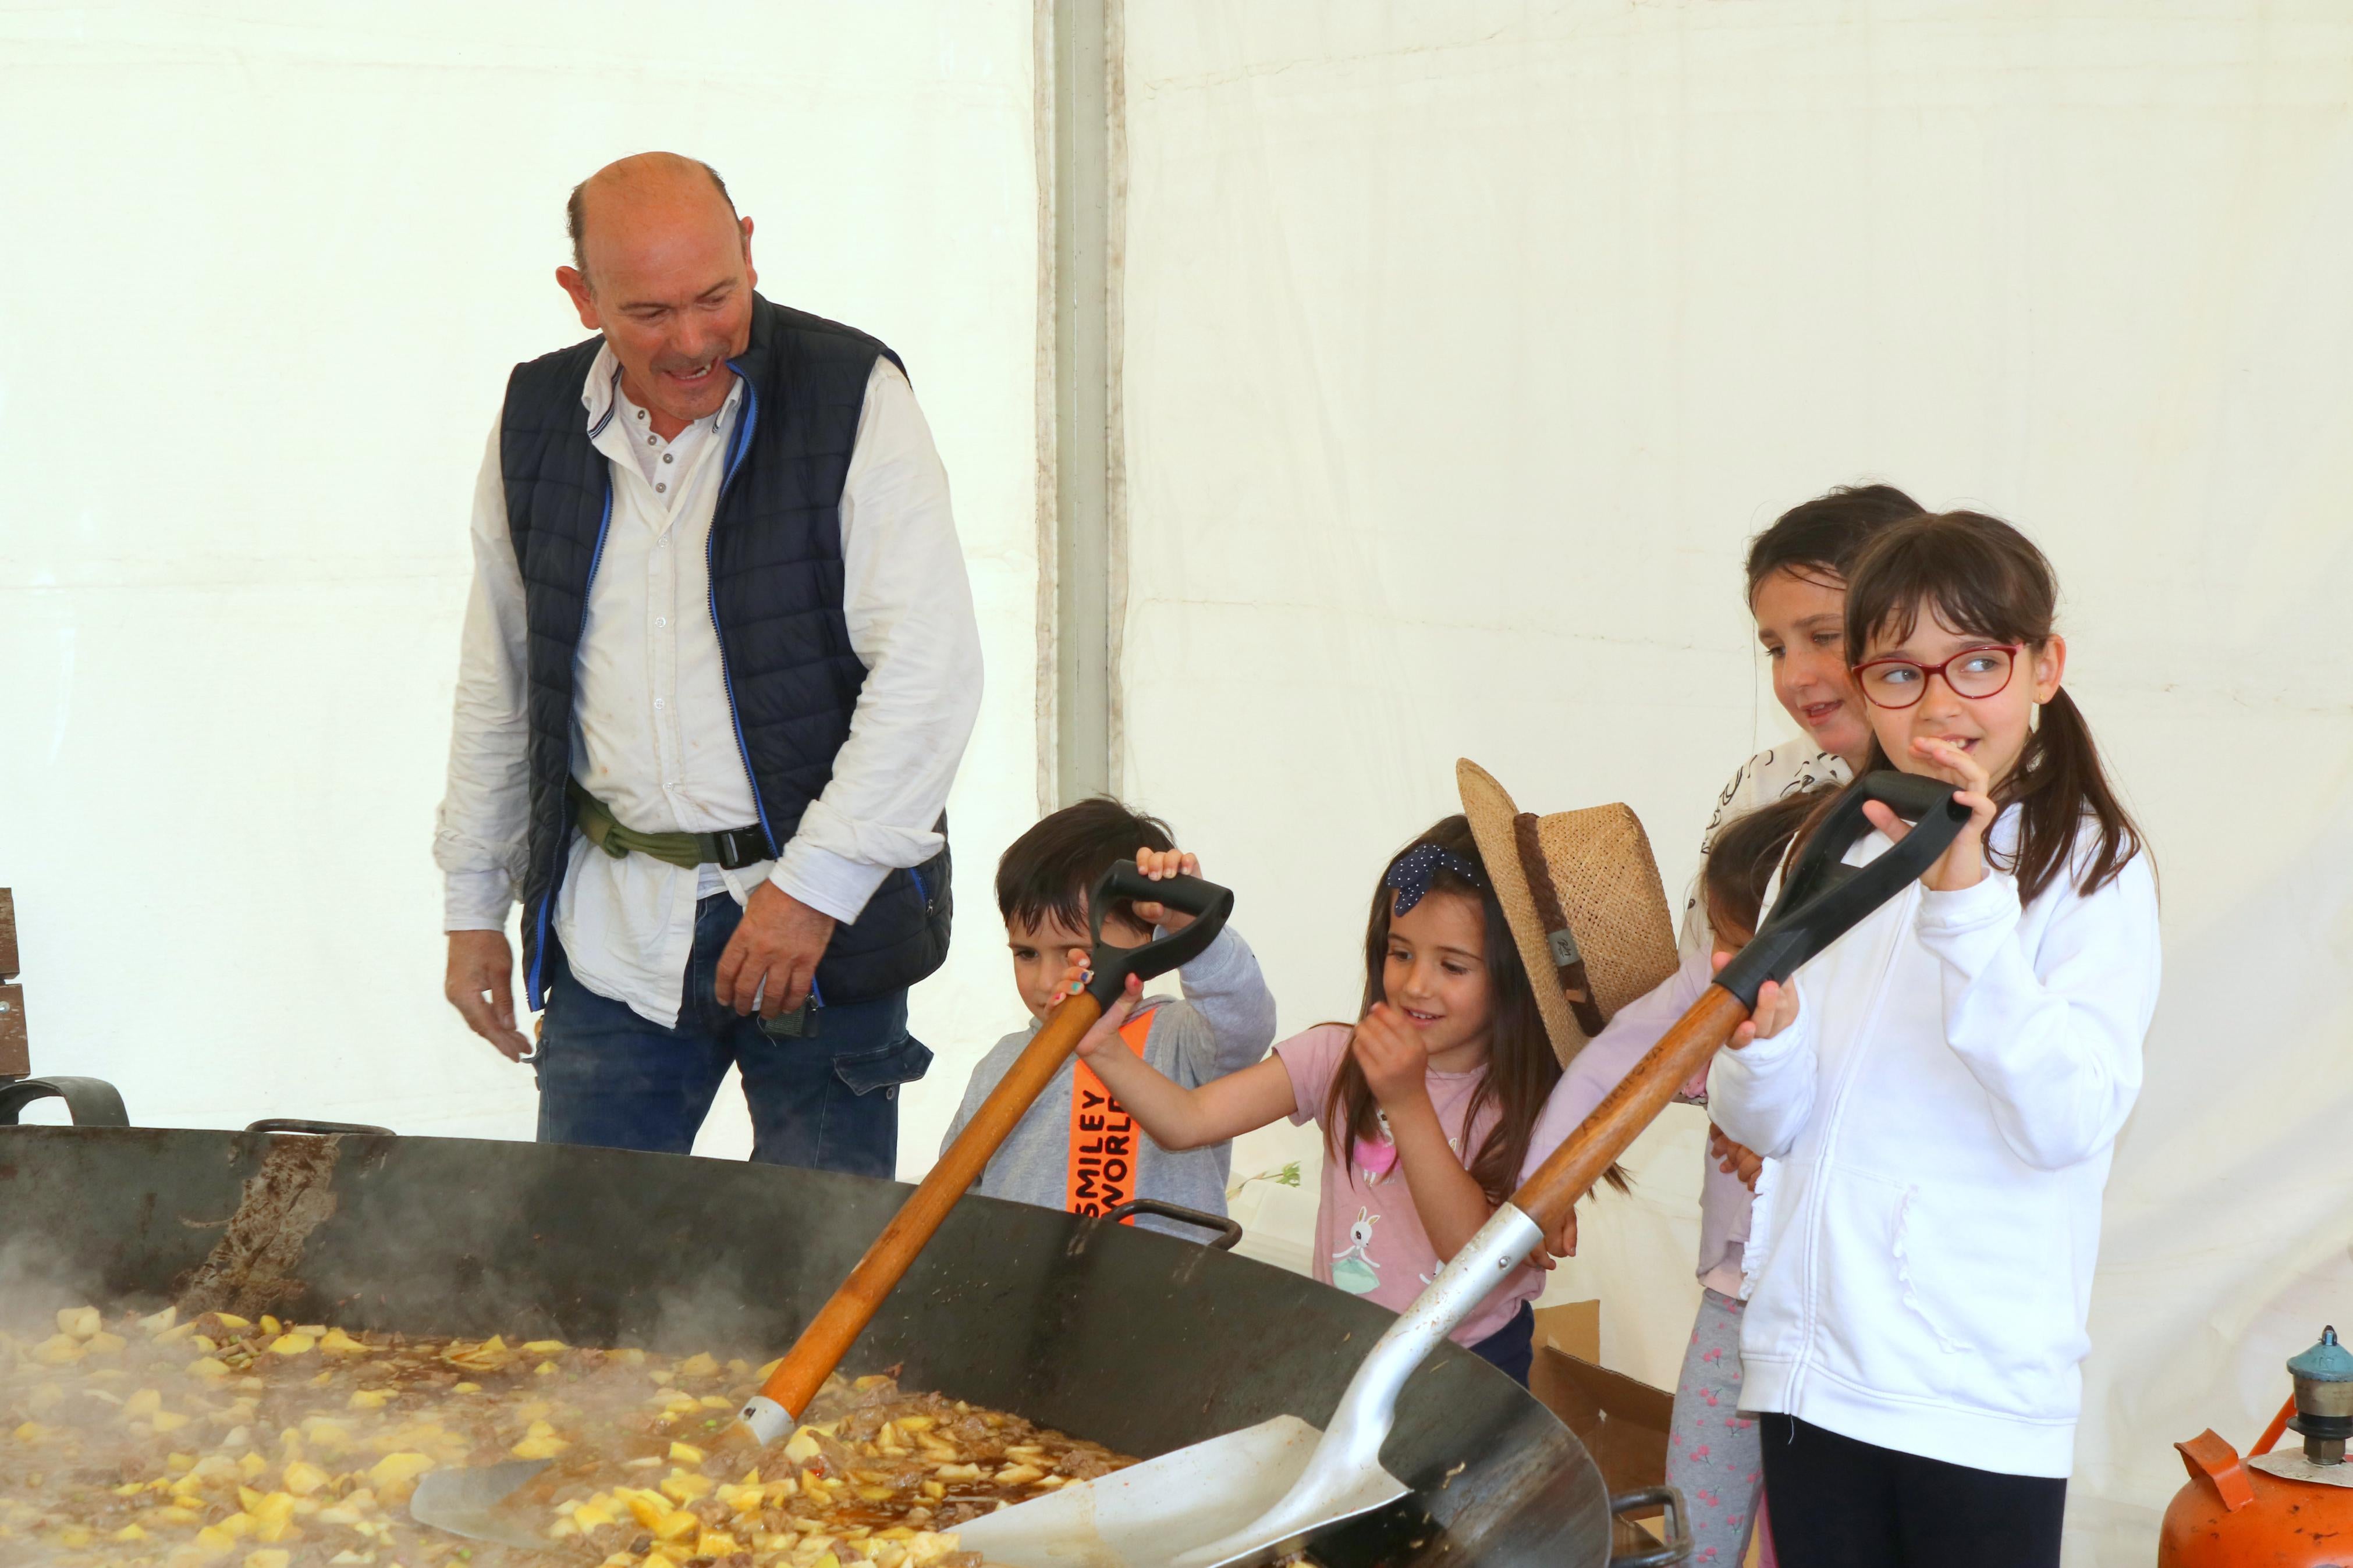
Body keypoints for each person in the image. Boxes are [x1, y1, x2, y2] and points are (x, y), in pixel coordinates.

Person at [434, 153, 982, 1175]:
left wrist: (811, 891)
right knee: (585, 1285)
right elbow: (500, 682)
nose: (692, 341)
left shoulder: (852, 394)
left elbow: (928, 673)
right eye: (648, 313)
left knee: (819, 1285)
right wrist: (473, 906)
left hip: (826, 927)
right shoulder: (533, 418)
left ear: (749, 249)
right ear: (580, 296)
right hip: (612, 930)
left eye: (716, 298)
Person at [1710, 510, 2160, 1567]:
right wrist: (1762, 1049)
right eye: (1900, 675)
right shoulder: (1831, 848)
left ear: (2042, 666)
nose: (1939, 703)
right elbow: (1768, 1126)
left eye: (1974, 663)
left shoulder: (2089, 866)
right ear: (1867, 691)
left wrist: (1962, 899)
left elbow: (2067, 1120)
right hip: (1810, 1376)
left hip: (1970, 1398)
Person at [1066, 766, 1678, 1386]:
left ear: (1513, 980)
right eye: (1400, 951)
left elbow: (1472, 1256)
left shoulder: (1535, 1107)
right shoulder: (1334, 1056)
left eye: (1453, 966)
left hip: (1470, 1371)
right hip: (1343, 1353)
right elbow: (1185, 1121)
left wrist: (1407, 1102)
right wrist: (1104, 1048)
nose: (1416, 984)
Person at [1525, 789, 1823, 1566]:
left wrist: (1786, 1158)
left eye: (1736, 938)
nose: (1720, 958)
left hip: (1836, 1323)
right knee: (1694, 1522)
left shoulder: (1858, 1002)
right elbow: (1610, 1065)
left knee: (1815, 1525)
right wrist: (1547, 1184)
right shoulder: (1715, 976)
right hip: (1732, 1306)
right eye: (1716, 936)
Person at [941, 799, 1276, 1240]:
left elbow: (1244, 1017)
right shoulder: (1000, 1065)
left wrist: (1189, 925)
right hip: (1018, 1295)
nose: (1045, 981)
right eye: (1026, 953)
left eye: (1073, 950)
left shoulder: (1179, 1041)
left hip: (1163, 1297)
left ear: (1147, 937)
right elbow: (952, 1196)